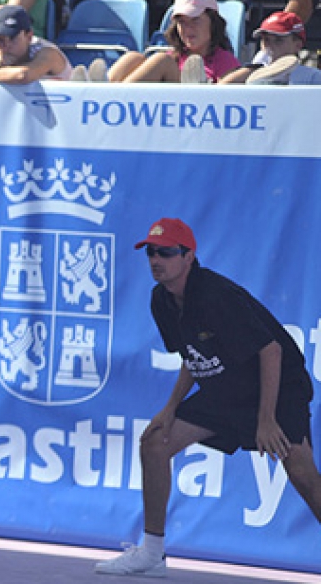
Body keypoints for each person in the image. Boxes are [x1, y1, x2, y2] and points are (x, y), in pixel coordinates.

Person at [95, 218, 321, 577]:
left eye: (166, 252)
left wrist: (266, 420)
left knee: (303, 474)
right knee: (155, 442)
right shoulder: (161, 300)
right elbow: (192, 356)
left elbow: (271, 351)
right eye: (151, 252)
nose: (156, 259)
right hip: (226, 389)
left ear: (188, 257)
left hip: (277, 389)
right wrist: (169, 409)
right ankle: (152, 554)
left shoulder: (215, 295)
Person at [107, 0, 240, 82]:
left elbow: (224, 99)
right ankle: (102, 89)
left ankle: (112, 96)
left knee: (162, 61)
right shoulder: (174, 56)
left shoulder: (224, 60)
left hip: (191, 110)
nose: (188, 28)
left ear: (213, 23)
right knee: (132, 58)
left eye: (195, 20)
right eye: (182, 22)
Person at [219, 10, 321, 84]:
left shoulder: (313, 78)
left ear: (297, 45)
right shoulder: (250, 73)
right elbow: (220, 92)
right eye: (266, 40)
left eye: (278, 40)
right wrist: (254, 69)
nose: (270, 46)